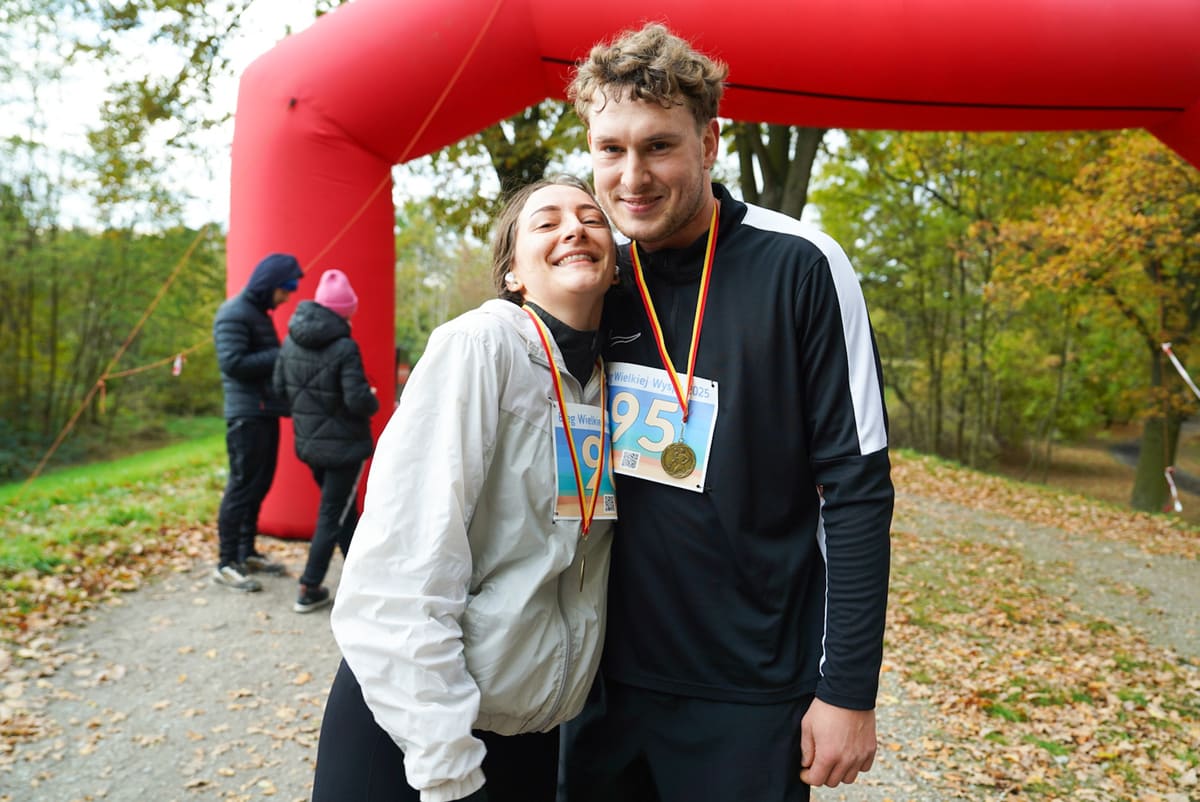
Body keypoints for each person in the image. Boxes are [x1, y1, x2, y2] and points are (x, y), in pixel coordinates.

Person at [559, 23, 894, 802]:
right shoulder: (590, 276)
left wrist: (848, 690)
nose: (632, 176)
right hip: (595, 681)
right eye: (611, 149)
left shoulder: (801, 266)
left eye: (659, 146)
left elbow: (856, 488)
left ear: (710, 143)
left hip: (750, 691)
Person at [311, 175, 619, 802]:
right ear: (513, 274)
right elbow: (403, 563)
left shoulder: (605, 382)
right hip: (417, 730)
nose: (574, 229)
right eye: (547, 222)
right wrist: (445, 759)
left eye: (592, 219)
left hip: (528, 729)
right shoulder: (481, 346)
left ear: (616, 266)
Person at [272, 268, 380, 613]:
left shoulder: (290, 340)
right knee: (333, 514)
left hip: (309, 446)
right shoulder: (344, 347)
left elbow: (279, 391)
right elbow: (357, 401)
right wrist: (372, 398)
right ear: (344, 312)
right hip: (344, 448)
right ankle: (309, 586)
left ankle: (362, 577)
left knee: (343, 512)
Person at [211, 252, 304, 592]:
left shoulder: (257, 314)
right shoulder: (233, 313)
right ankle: (226, 563)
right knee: (241, 486)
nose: (287, 296)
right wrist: (282, 354)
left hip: (264, 412)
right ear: (270, 284)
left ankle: (246, 552)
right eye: (286, 288)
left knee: (259, 485)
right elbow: (233, 362)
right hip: (246, 415)